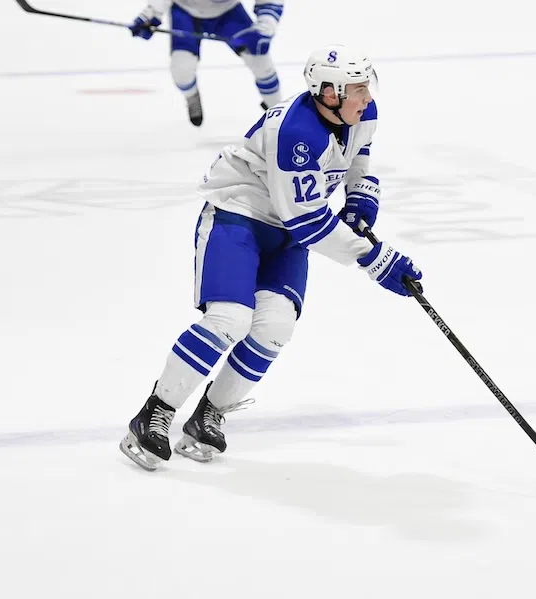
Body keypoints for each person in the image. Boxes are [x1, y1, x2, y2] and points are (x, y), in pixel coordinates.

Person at [120, 44, 423, 471]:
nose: (367, 97)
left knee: (275, 327)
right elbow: (309, 223)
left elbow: (359, 153)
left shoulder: (361, 112)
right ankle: (155, 411)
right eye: (357, 89)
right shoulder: (297, 132)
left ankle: (209, 414)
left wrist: (360, 195)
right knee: (230, 319)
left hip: (288, 228)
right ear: (329, 93)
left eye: (366, 86)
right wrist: (375, 259)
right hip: (238, 216)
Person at [128, 0, 284, 126]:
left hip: (228, 12)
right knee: (181, 68)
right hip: (185, 11)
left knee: (260, 60)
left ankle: (279, 111)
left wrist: (265, 27)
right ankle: (191, 95)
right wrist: (150, 14)